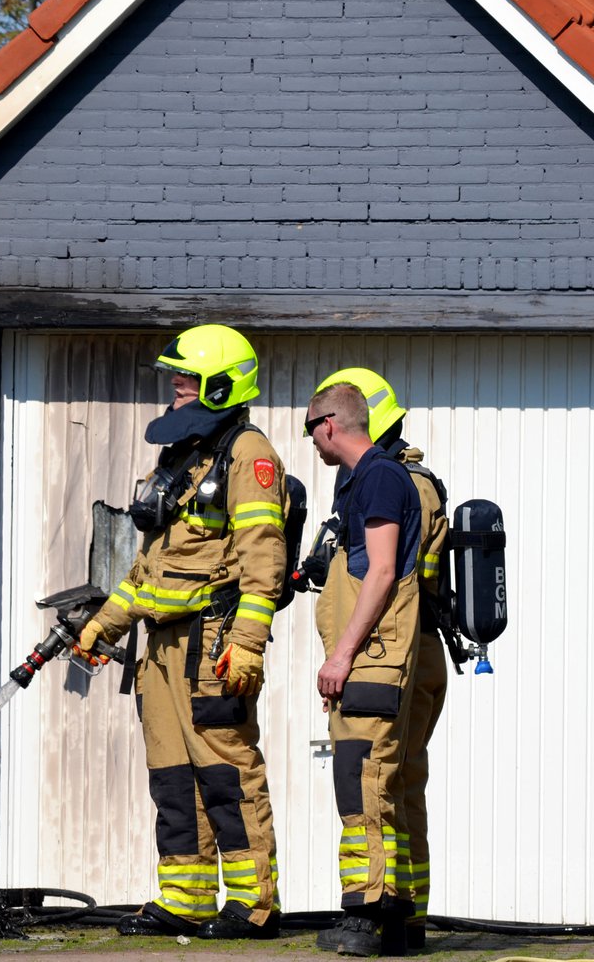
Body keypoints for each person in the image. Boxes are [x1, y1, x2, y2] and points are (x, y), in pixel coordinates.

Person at [74, 324, 287, 941]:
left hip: (213, 640)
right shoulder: (183, 454)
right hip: (162, 648)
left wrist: (247, 642)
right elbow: (150, 567)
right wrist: (102, 624)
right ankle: (185, 899)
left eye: (186, 379)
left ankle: (253, 904)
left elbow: (264, 557)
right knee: (172, 777)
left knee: (225, 772)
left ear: (220, 385)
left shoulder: (248, 453)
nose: (175, 388)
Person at [316, 368, 451, 953]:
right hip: (407, 651)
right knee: (397, 783)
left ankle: (367, 913)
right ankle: (404, 918)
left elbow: (382, 570)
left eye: (309, 427)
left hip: (376, 654)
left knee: (362, 778)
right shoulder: (403, 480)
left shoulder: (378, 479)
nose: (310, 440)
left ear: (330, 424)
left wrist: (342, 654)